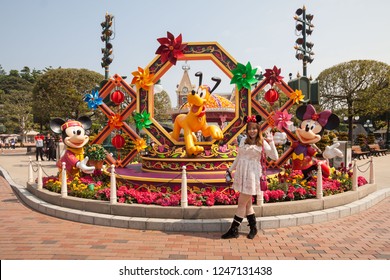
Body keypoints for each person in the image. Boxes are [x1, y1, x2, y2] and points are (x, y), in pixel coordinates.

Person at [222, 115, 279, 239]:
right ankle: (253, 228)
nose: (252, 131)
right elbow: (239, 157)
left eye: (254, 128)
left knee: (241, 203)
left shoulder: (262, 142)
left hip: (252, 175)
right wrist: (230, 170)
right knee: (247, 205)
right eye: (249, 129)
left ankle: (234, 230)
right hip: (242, 173)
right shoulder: (243, 140)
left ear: (258, 129)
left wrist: (271, 142)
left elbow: (275, 157)